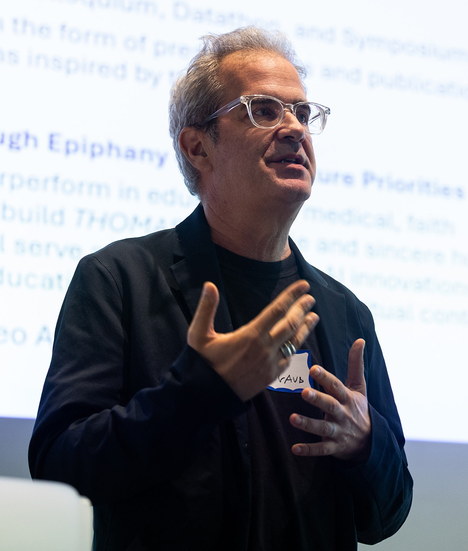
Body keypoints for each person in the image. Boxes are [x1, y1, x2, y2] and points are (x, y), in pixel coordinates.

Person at [28, 27, 413, 550]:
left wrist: (367, 444)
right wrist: (200, 391)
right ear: (197, 147)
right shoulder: (119, 279)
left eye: (302, 113)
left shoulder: (346, 313)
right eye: (263, 110)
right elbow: (60, 462)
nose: (294, 129)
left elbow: (386, 515)